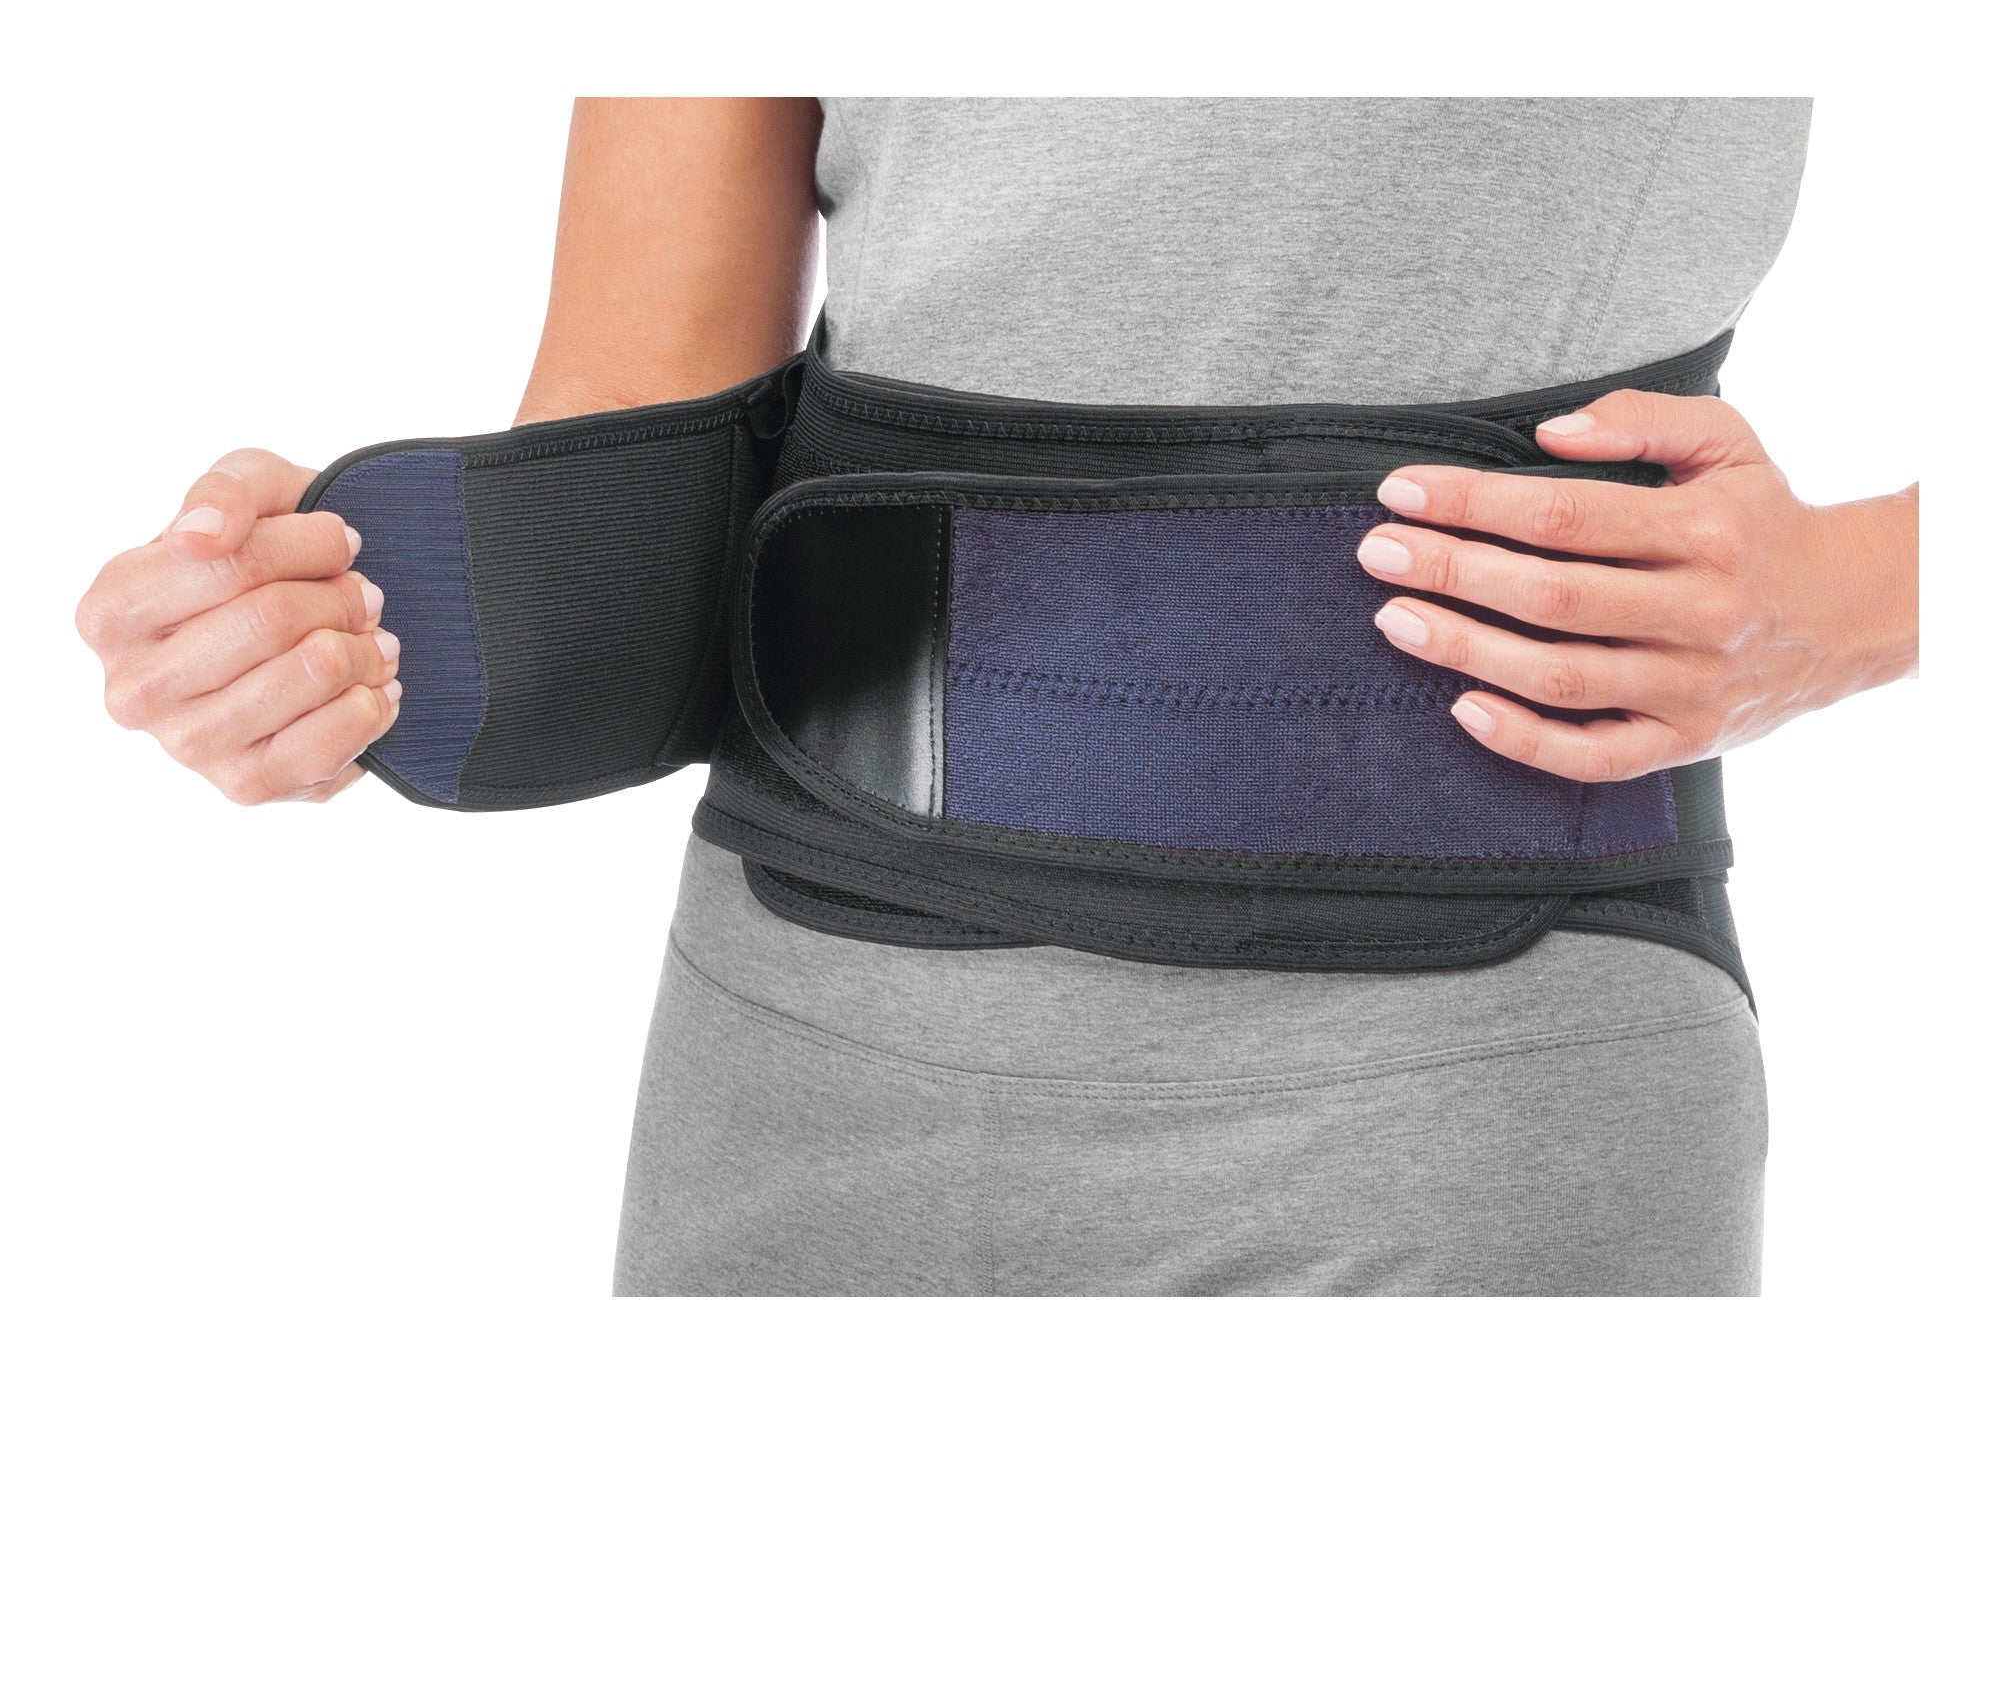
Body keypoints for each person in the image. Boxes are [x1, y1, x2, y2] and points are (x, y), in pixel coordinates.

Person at [75, 98, 1919, 1295]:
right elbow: (645, 472)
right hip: (796, 1064)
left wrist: (1856, 592)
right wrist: (333, 620)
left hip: (1455, 1091)